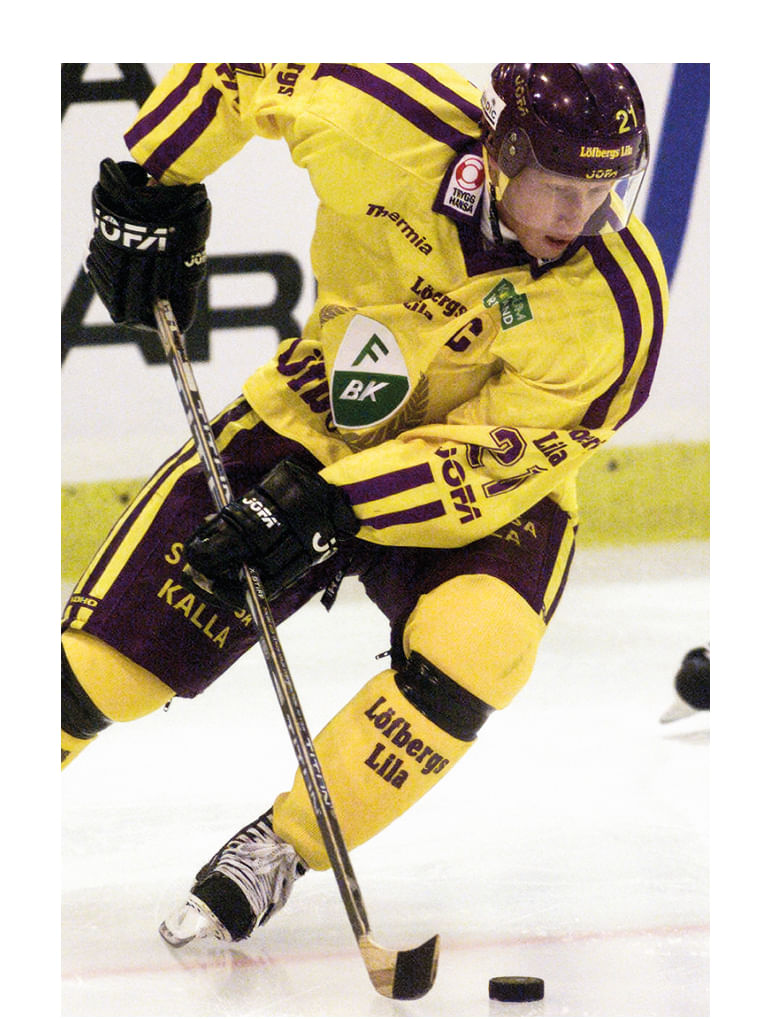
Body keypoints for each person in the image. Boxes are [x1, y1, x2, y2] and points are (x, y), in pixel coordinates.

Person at [62, 63, 668, 946]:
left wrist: (331, 507)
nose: (578, 216)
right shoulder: (384, 117)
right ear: (501, 152)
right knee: (103, 671)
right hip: (312, 416)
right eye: (558, 185)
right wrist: (156, 178)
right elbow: (245, 65)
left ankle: (283, 847)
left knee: (481, 645)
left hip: (480, 494)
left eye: (601, 189)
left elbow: (496, 456)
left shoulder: (615, 304)